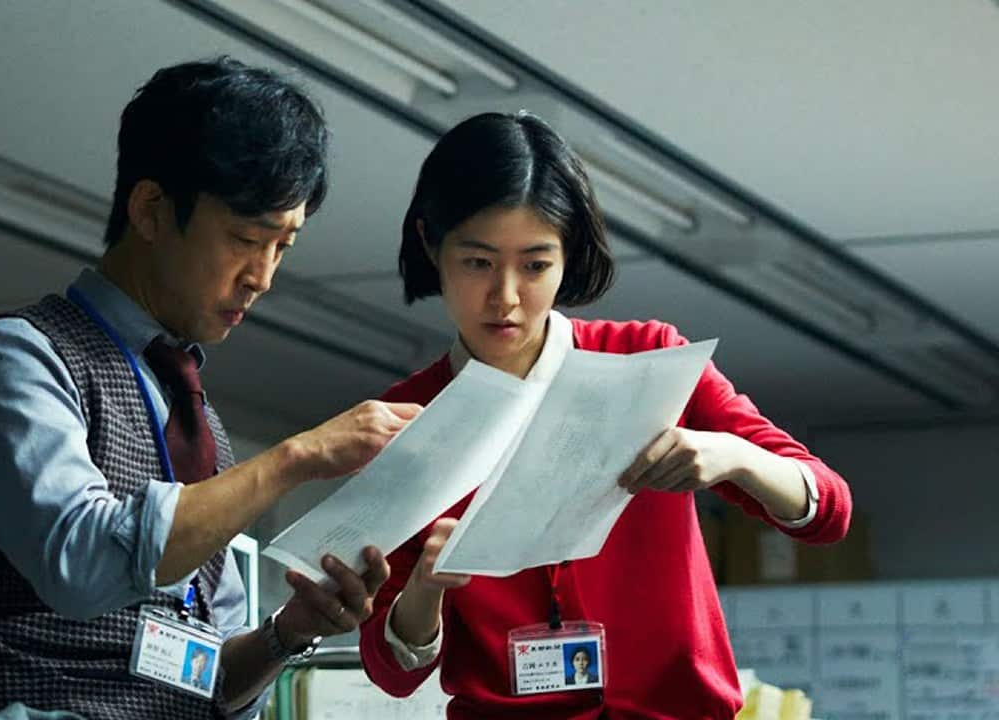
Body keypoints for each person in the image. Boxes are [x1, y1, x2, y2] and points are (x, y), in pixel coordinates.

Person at [0, 57, 420, 720]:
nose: (262, 276)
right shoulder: (19, 357)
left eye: (283, 246)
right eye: (246, 238)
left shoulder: (198, 423)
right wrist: (297, 457)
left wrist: (288, 632)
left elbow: (209, 680)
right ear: (152, 210)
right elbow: (82, 564)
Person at [357, 112, 852, 719]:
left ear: (569, 255)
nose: (505, 296)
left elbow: (828, 511)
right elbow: (391, 671)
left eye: (535, 265)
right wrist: (426, 587)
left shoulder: (651, 360)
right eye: (478, 263)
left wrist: (733, 456)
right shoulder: (404, 420)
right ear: (431, 243)